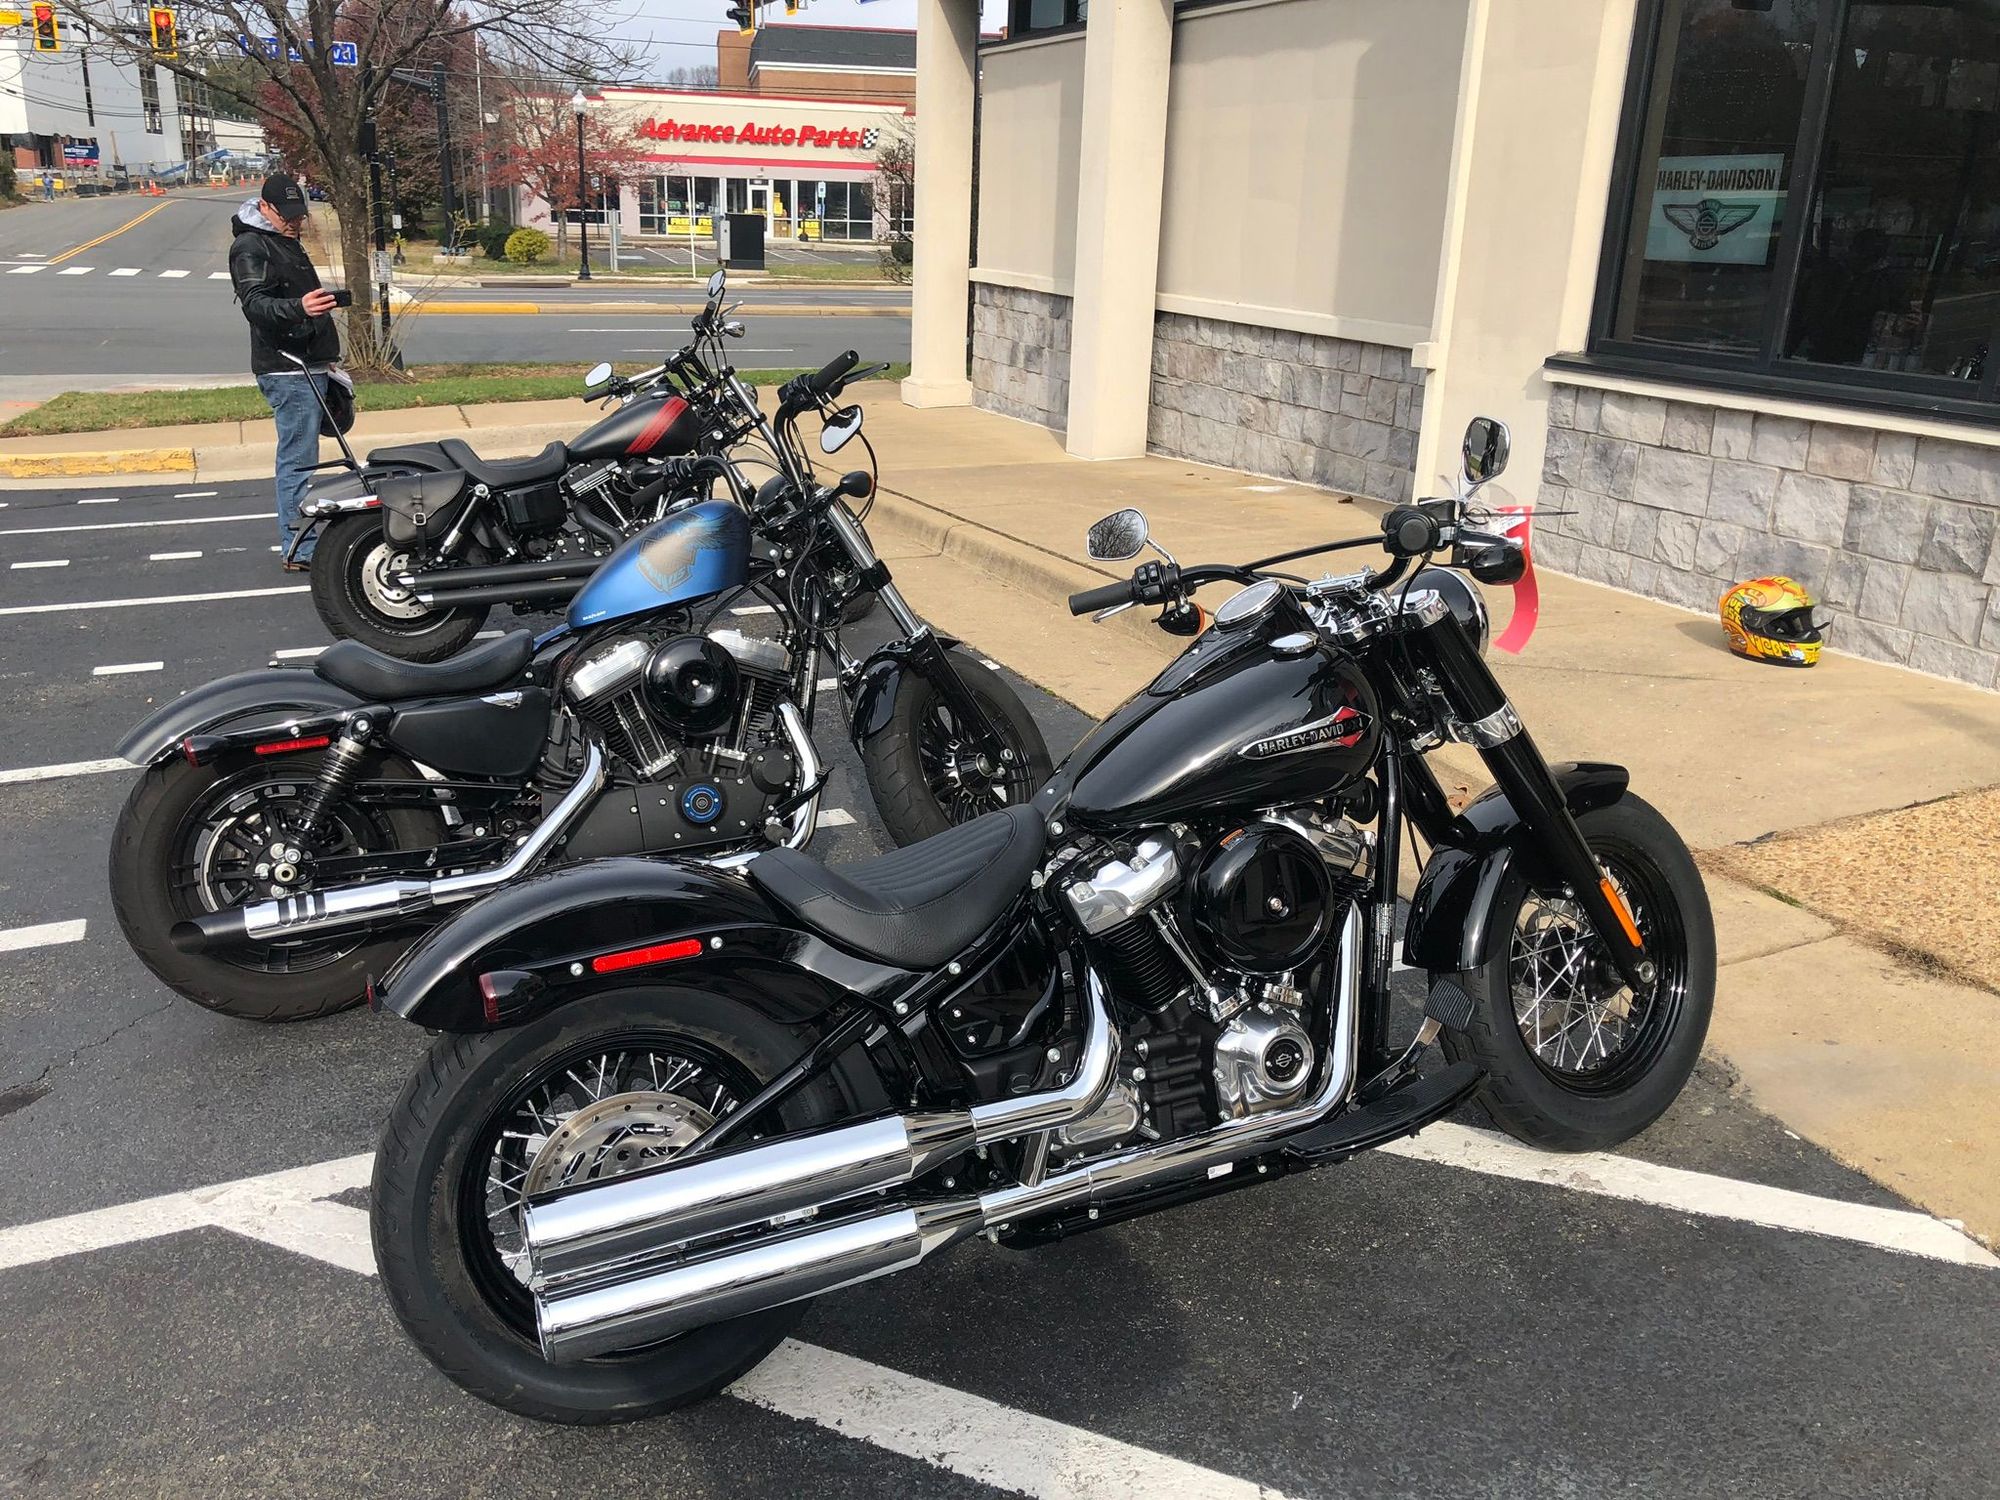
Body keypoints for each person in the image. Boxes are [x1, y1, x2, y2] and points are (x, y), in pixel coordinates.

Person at [228, 172, 340, 569]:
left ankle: (300, 544)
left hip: (307, 362)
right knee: (298, 460)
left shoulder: (281, 240)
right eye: (286, 215)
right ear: (264, 207)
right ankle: (298, 547)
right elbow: (255, 304)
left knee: (303, 455)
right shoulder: (250, 246)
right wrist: (299, 308)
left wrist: (323, 348)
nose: (294, 222)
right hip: (287, 368)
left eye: (299, 215)